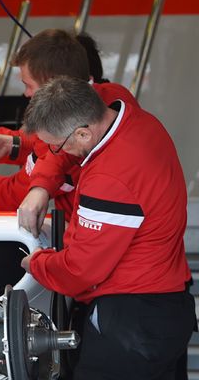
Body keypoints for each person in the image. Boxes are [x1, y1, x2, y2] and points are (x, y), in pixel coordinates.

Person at [19, 76, 195, 379]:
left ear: (84, 134)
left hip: (133, 323)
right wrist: (41, 187)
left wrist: (35, 263)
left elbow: (80, 270)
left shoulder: (110, 178)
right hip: (165, 306)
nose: (58, 155)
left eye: (57, 146)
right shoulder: (138, 119)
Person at [0, 29, 137, 219]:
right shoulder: (111, 98)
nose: (26, 93)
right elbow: (39, 143)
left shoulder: (70, 141)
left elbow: (10, 196)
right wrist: (14, 145)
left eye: (28, 85)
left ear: (54, 87)